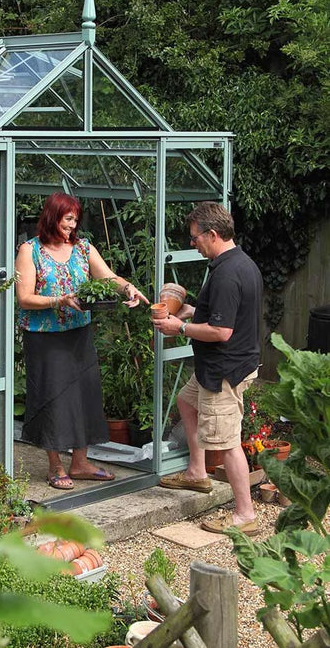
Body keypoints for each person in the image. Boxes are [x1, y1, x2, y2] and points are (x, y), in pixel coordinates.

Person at [15, 192, 149, 490]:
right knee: (52, 397)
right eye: (68, 219)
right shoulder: (30, 250)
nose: (72, 225)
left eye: (75, 219)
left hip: (79, 332)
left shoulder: (83, 248)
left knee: (85, 394)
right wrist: (59, 300)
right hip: (44, 338)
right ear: (53, 217)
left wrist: (129, 288)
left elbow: (107, 277)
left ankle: (80, 463)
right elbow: (24, 298)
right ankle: (54, 466)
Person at [154, 202, 262, 536]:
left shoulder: (229, 274)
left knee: (227, 443)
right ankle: (196, 473)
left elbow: (222, 332)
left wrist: (179, 328)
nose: (192, 243)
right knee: (187, 402)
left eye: (195, 237)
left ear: (212, 234)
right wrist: (192, 310)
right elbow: (222, 314)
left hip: (224, 372)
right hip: (217, 366)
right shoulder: (236, 262)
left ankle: (245, 515)